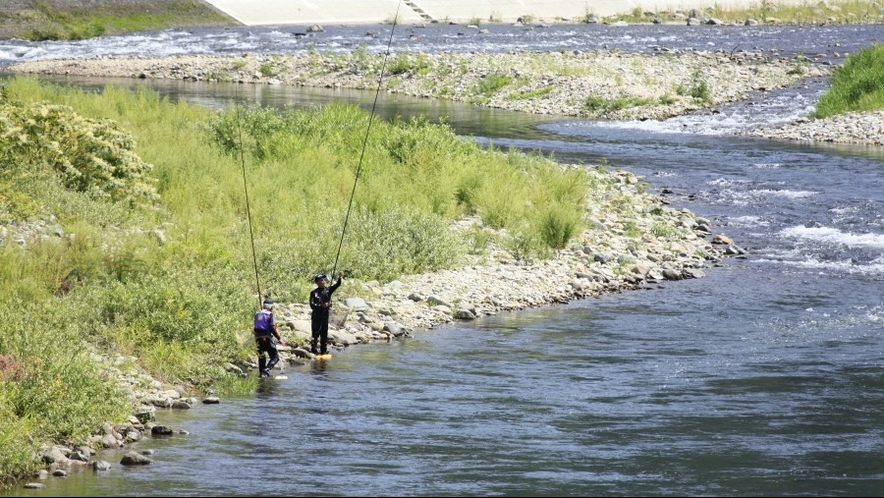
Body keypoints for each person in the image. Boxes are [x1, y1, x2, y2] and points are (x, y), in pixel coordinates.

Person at [309, 271, 343, 355]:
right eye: (321, 280)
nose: (323, 281)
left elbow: (337, 285)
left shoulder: (328, 290)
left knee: (324, 333)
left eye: (324, 280)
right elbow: (312, 305)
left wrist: (340, 277)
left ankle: (323, 350)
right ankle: (314, 350)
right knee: (315, 333)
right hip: (316, 316)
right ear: (317, 282)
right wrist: (321, 305)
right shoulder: (314, 293)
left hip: (325, 316)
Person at [253, 297, 283, 377]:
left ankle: (262, 374)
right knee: (275, 357)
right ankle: (267, 369)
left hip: (258, 338)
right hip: (267, 337)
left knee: (261, 357)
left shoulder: (257, 314)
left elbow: (255, 326)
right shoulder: (270, 314)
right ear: (271, 307)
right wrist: (279, 338)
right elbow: (272, 327)